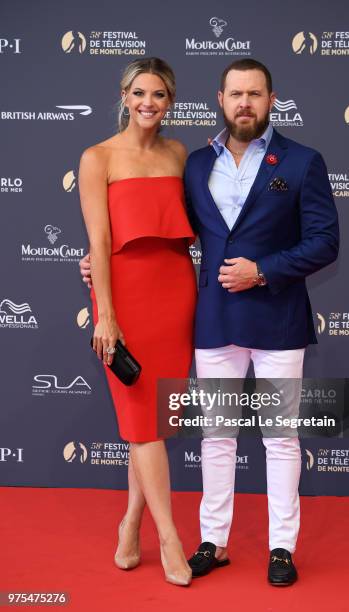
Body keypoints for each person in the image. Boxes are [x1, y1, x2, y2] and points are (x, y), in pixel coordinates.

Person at [81, 58, 339, 586]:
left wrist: (263, 271)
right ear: (220, 99)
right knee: (215, 435)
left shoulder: (302, 161)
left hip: (277, 319)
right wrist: (97, 262)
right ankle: (212, 541)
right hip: (212, 318)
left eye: (256, 94)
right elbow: (155, 226)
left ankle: (281, 548)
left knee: (281, 436)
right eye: (236, 93)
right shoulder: (195, 161)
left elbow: (325, 242)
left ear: (271, 100)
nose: (245, 103)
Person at [78, 57, 196, 586]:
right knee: (141, 422)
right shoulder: (97, 156)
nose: (149, 103)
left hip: (176, 293)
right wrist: (106, 315)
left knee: (152, 425)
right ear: (124, 96)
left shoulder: (178, 153)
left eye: (160, 95)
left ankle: (130, 522)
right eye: (140, 93)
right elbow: (99, 243)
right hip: (124, 298)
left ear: (170, 102)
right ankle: (170, 539)